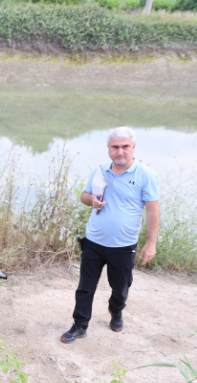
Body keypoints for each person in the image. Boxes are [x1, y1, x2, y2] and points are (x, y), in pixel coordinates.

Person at [61, 127, 159, 343]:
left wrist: (151, 243)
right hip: (93, 241)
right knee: (85, 287)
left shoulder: (146, 175)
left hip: (124, 245)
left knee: (120, 287)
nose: (120, 151)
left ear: (133, 147)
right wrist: (92, 200)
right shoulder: (100, 170)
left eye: (125, 146)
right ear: (108, 148)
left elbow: (152, 211)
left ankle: (116, 311)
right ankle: (79, 325)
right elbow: (84, 196)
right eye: (115, 147)